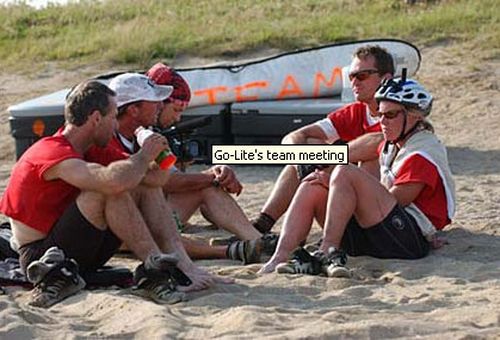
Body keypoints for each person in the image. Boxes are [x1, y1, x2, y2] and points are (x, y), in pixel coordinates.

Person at [0, 79, 229, 308]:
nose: (115, 126)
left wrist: (160, 157)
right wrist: (143, 157)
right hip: (41, 255)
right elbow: (112, 181)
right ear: (96, 118)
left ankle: (181, 266)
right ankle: (155, 266)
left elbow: (155, 182)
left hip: (79, 247)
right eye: (112, 118)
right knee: (109, 190)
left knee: (138, 184)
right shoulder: (52, 150)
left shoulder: (95, 148)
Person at [262, 77, 456, 276]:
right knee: (312, 184)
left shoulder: (422, 152)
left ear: (415, 116)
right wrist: (324, 169)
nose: (382, 122)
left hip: (407, 241)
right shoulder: (394, 142)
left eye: (390, 115)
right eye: (380, 115)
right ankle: (279, 257)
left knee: (344, 172)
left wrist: (337, 182)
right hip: (378, 234)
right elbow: (367, 147)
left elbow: (397, 201)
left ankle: (327, 251)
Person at [107, 70, 276, 263]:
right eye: (155, 101)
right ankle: (231, 250)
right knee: (161, 228)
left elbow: (166, 178)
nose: (160, 105)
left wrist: (208, 175)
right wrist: (212, 176)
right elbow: (168, 183)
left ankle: (256, 240)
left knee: (203, 188)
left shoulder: (141, 133)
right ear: (133, 110)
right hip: (119, 227)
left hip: (142, 215)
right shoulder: (108, 139)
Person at [252, 45, 395, 234]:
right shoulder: (355, 112)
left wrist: (323, 158)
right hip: (352, 198)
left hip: (387, 212)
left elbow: (381, 142)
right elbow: (295, 136)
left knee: (361, 157)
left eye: (362, 76)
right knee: (307, 147)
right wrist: (299, 156)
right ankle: (261, 226)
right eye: (351, 77)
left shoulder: (399, 112)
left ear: (385, 79)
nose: (354, 82)